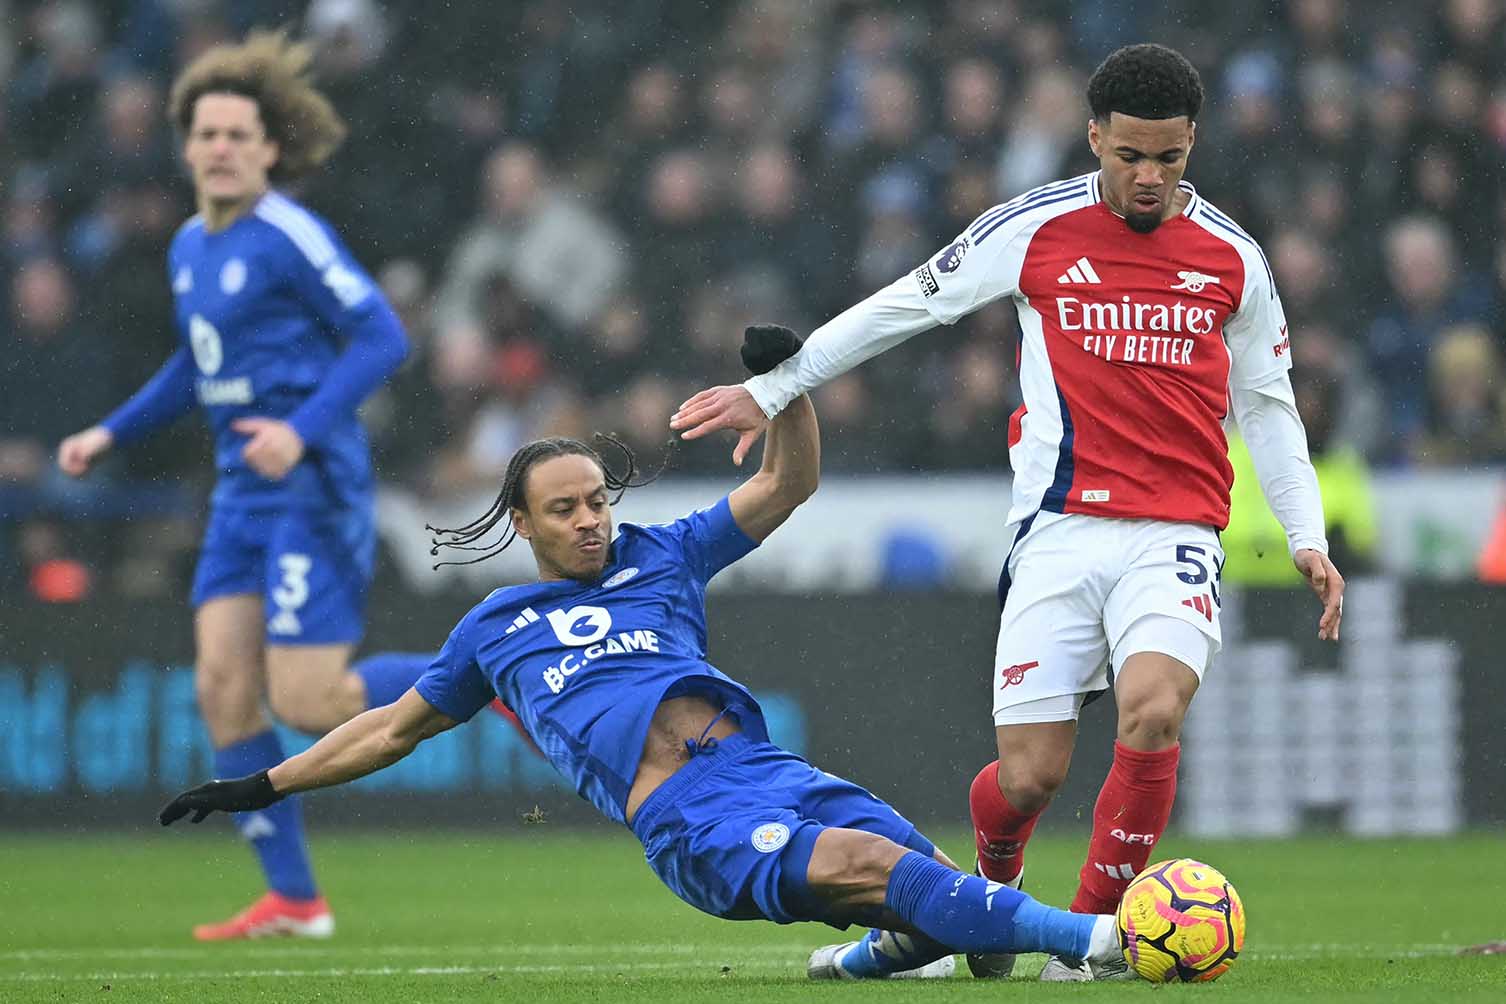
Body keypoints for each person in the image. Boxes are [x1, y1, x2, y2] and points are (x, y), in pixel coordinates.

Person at [160, 325, 1132, 983]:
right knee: (877, 862)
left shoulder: (660, 554)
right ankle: (1097, 936)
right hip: (687, 814)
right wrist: (266, 784)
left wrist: (788, 384)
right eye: (565, 509)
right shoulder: (495, 626)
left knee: (936, 900)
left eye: (597, 500)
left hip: (764, 766)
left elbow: (789, 483)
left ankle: (869, 959)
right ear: (521, 522)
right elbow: (386, 728)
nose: (590, 521)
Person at [670, 44, 1346, 982]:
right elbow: (907, 304)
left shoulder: (1234, 257)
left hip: (1176, 531)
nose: (1149, 178)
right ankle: (985, 910)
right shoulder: (1031, 229)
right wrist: (780, 386)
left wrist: (1305, 536)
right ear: (1094, 136)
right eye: (1130, 156)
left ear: (1193, 142)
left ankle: (1092, 941)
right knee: (1028, 778)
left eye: (1170, 159)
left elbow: (1268, 406)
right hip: (1058, 530)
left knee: (1153, 712)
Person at [56, 32, 438, 940]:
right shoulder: (189, 245)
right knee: (222, 689)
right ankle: (297, 899)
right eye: (207, 133)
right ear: (185, 146)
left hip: (311, 484)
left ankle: (490, 673)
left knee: (309, 701)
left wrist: (299, 430)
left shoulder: (289, 236)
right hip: (239, 493)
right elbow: (199, 366)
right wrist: (108, 432)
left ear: (272, 148)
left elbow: (385, 337)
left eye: (239, 133)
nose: (221, 147)